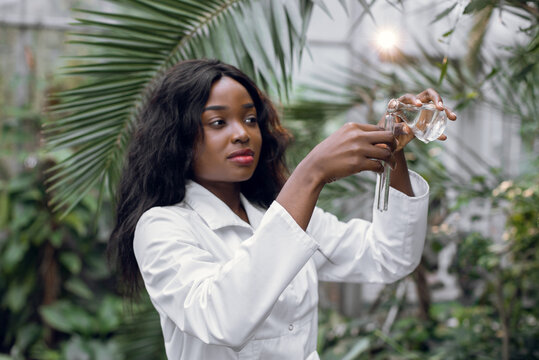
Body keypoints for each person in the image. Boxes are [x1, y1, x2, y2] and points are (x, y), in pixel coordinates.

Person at [108, 59, 456, 360]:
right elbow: (222, 319)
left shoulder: (272, 212)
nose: (242, 134)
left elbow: (389, 256)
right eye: (218, 123)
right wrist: (311, 173)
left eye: (249, 120)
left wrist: (390, 148)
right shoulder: (162, 226)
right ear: (178, 138)